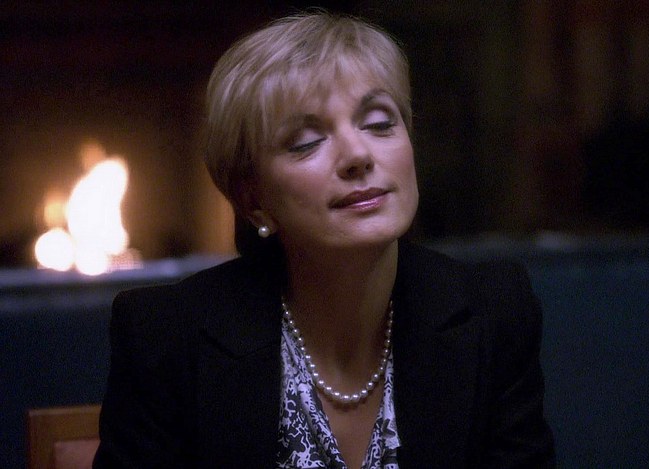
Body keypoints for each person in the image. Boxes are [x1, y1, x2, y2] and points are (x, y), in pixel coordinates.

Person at [93, 11, 555, 468]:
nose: (358, 155)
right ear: (252, 199)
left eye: (379, 123)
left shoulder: (493, 312)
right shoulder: (167, 340)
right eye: (306, 142)